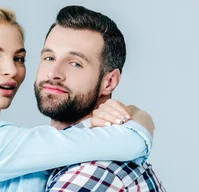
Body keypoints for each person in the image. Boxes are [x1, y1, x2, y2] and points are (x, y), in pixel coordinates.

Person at [0, 3, 154, 192]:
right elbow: (132, 141)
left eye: (19, 58)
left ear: (109, 81)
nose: (11, 69)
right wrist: (138, 118)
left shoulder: (4, 142)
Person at [38, 5, 166, 191]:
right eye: (49, 58)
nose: (53, 73)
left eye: (75, 63)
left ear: (109, 82)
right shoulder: (59, 155)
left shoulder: (91, 171)